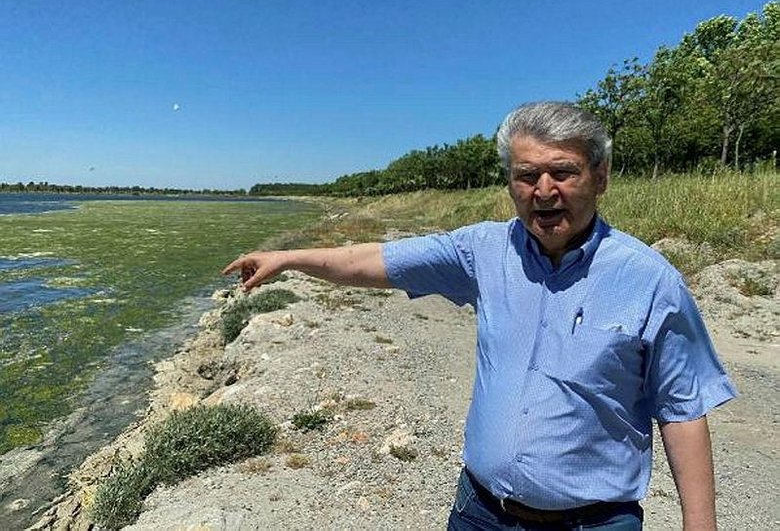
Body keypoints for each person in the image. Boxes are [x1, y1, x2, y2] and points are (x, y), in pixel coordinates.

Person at [223, 101, 736, 530]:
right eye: (527, 175)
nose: (544, 190)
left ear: (599, 177)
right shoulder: (482, 251)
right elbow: (371, 260)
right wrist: (289, 259)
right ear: (511, 183)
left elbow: (683, 409)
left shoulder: (650, 280)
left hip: (594, 522)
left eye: (563, 171)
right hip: (481, 512)